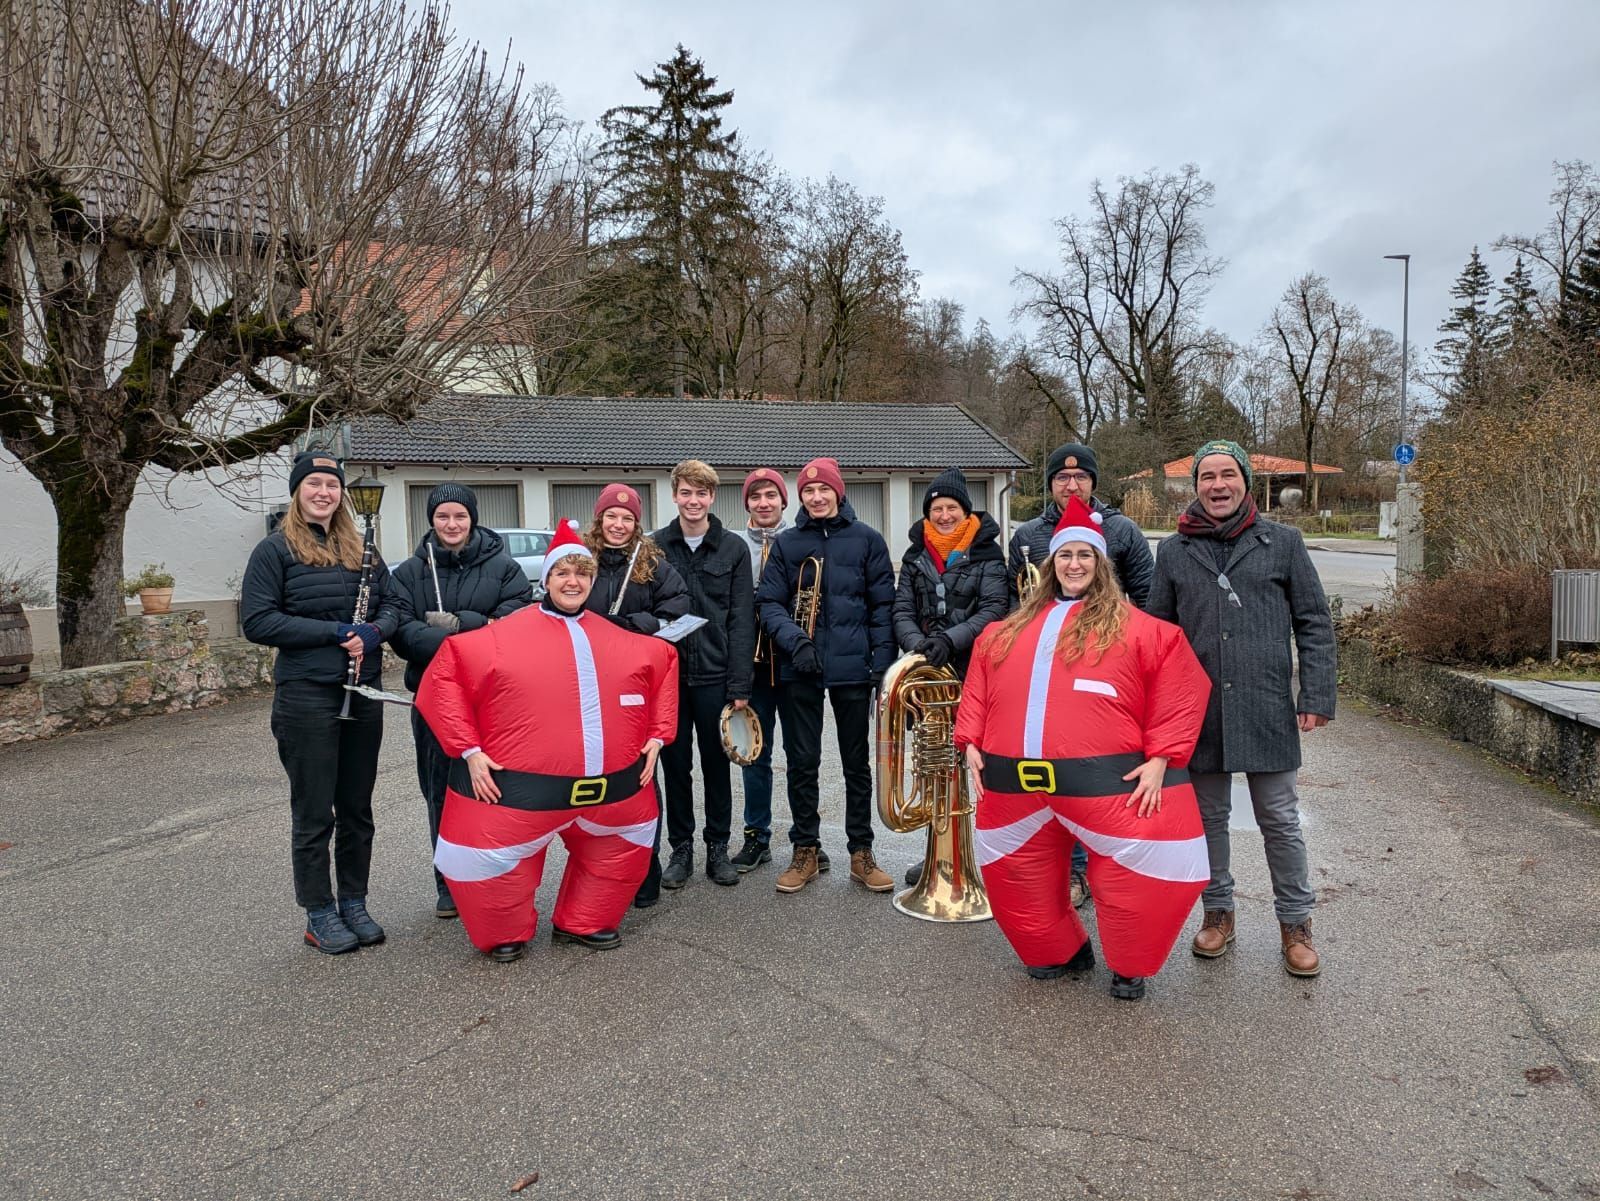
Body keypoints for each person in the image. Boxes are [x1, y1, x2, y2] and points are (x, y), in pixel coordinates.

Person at [955, 495, 1212, 1001]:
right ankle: (1055, 950)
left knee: (1143, 873)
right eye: (1066, 556)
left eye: (1085, 556)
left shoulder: (1142, 632)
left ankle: (1129, 964)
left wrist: (1162, 756)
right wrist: (969, 740)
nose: (1075, 565)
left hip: (1110, 786)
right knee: (1013, 876)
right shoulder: (1004, 632)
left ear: (1100, 565)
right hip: (1014, 788)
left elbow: (1180, 685)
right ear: (1052, 565)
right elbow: (980, 685)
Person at [414, 520, 678, 963]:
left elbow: (665, 667)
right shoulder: (497, 639)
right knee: (492, 879)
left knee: (614, 864)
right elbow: (444, 678)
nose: (572, 582)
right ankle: (503, 931)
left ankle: (585, 921)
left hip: (616, 797)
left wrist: (658, 735)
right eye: (563, 573)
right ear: (547, 579)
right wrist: (470, 751)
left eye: (582, 574)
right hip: (512, 795)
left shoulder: (625, 641)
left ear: (592, 582)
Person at [1145, 439, 1336, 978]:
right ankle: (1218, 912)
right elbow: (1158, 636)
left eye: (1228, 474)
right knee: (1208, 819)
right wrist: (1157, 714)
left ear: (1246, 481)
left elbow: (1315, 624)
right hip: (1197, 711)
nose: (1218, 485)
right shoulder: (1174, 551)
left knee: (1279, 818)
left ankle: (1295, 924)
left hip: (1266, 703)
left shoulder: (1283, 542)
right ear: (1196, 485)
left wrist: (1316, 695)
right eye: (1208, 476)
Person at [241, 451, 401, 955]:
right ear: (298, 491)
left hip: (361, 691)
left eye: (331, 485)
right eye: (313, 484)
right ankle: (319, 911)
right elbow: (258, 622)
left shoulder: (364, 551)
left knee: (357, 807)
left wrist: (374, 632)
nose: (323, 493)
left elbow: (395, 606)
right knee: (315, 811)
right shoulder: (273, 551)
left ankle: (354, 900)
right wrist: (336, 632)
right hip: (307, 695)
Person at [1006, 441, 1155, 909]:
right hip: (1045, 674)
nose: (1071, 485)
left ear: (1094, 481)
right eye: (1061, 478)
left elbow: (1150, 601)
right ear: (1050, 483)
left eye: (1080, 477)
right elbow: (1017, 608)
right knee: (1053, 772)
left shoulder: (1123, 531)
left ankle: (1100, 868)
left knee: (1098, 773)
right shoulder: (1027, 534)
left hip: (1104, 672)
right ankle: (1066, 870)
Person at [389, 483, 531, 919]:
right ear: (431, 520)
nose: (452, 525)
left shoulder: (504, 566)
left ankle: (496, 876)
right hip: (433, 700)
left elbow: (518, 620)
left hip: (490, 701)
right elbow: (400, 631)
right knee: (440, 792)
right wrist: (462, 637)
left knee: (495, 789)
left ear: (472, 518)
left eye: (460, 516)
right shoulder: (410, 573)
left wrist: (462, 623)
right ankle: (448, 882)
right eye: (443, 516)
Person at [756, 456, 897, 894]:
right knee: (802, 763)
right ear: (801, 497)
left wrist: (883, 666)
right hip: (802, 668)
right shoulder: (787, 543)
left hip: (854, 670)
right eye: (808, 492)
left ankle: (861, 851)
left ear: (839, 492)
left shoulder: (868, 540)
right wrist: (796, 642)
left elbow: (883, 608)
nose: (817, 497)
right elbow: (768, 603)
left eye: (824, 490)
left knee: (857, 765)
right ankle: (806, 850)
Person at [582, 482, 689, 907]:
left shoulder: (654, 564)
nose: (619, 524)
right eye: (612, 516)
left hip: (633, 690)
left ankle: (645, 873)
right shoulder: (581, 559)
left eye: (627, 518)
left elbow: (679, 608)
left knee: (641, 777)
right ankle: (598, 872)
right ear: (600, 519)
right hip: (588, 688)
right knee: (592, 778)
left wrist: (633, 625)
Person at [653, 460, 755, 889]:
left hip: (716, 677)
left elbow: (741, 620)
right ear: (674, 495)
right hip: (670, 678)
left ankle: (717, 848)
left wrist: (739, 685)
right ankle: (681, 849)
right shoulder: (655, 547)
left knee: (717, 766)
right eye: (686, 493)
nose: (693, 501)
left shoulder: (733, 549)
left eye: (702, 494)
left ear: (712, 498)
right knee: (676, 767)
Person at [730, 467, 793, 873]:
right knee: (754, 754)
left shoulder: (799, 540)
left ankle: (808, 838)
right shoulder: (734, 546)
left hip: (790, 662)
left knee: (804, 756)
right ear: (747, 504)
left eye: (771, 495)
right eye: (756, 497)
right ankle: (757, 835)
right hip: (751, 666)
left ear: (783, 501)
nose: (764, 503)